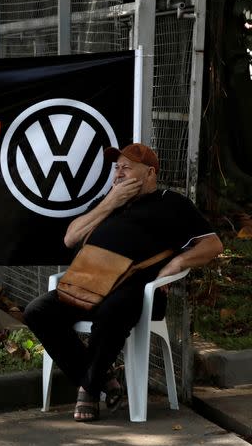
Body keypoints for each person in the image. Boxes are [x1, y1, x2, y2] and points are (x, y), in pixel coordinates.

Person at [23, 143, 223, 422]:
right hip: (89, 285)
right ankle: (103, 379)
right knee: (37, 311)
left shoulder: (171, 203)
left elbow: (213, 244)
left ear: (149, 173)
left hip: (137, 291)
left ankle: (89, 390)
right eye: (116, 168)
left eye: (126, 168)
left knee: (112, 311)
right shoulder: (107, 202)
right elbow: (70, 238)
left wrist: (174, 265)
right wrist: (110, 203)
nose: (118, 173)